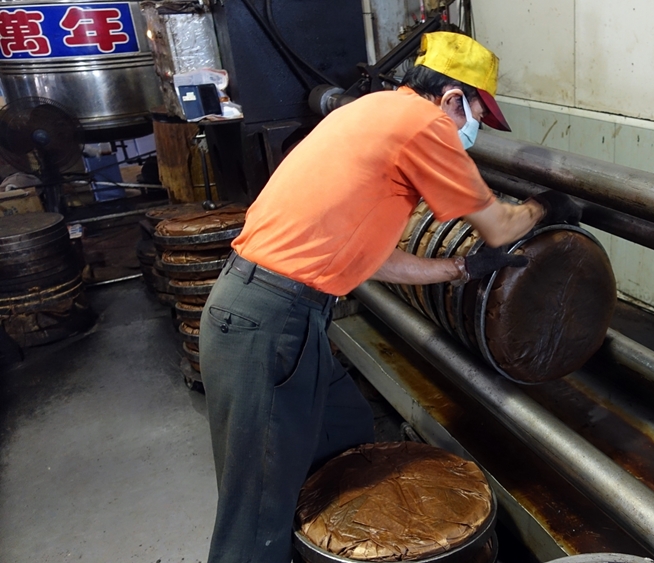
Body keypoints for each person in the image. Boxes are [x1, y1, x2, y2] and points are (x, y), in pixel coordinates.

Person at [199, 31, 580, 563]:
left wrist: (459, 268)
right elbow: (500, 226)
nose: (472, 132)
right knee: (257, 510)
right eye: (475, 114)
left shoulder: (373, 110)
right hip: (268, 321)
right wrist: (548, 204)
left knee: (347, 435)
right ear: (450, 98)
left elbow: (369, 256)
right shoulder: (425, 126)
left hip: (280, 312)